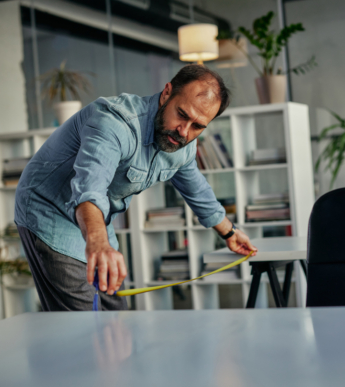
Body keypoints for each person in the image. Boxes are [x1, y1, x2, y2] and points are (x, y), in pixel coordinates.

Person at [15, 64, 257, 311]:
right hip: (49, 210)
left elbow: (195, 186)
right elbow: (90, 189)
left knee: (115, 314)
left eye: (198, 126)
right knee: (83, 322)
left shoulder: (183, 143)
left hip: (97, 220)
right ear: (166, 93)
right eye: (182, 115)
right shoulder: (114, 122)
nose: (184, 131)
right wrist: (99, 243)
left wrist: (230, 232)